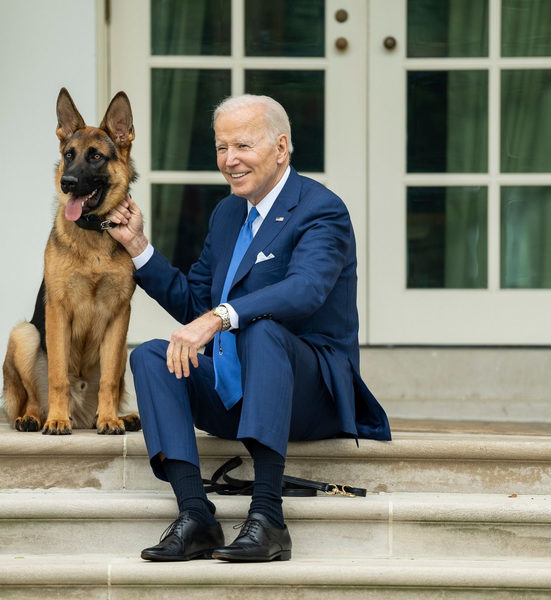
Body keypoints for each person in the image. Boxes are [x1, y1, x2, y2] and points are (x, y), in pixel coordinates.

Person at [105, 94, 391, 563]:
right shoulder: (226, 214)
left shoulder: (322, 210)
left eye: (243, 145)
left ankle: (268, 517)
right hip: (236, 389)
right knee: (151, 356)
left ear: (281, 148)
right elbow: (197, 304)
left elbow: (305, 291)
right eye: (221, 147)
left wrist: (220, 318)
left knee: (261, 330)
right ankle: (195, 514)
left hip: (308, 392)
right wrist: (138, 247)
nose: (229, 160)